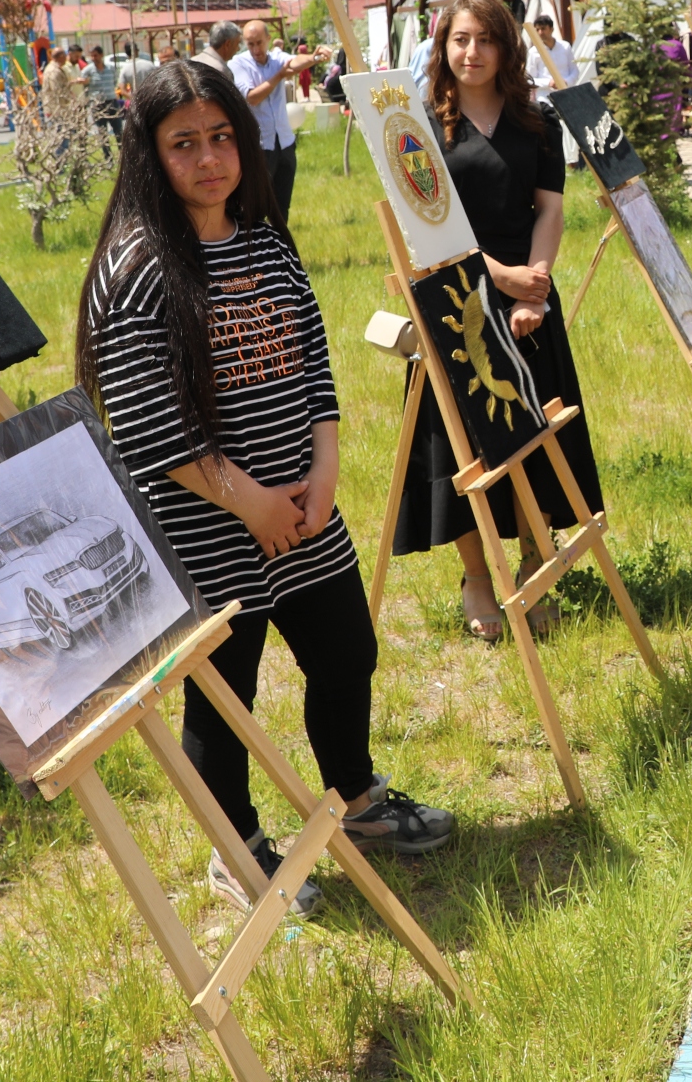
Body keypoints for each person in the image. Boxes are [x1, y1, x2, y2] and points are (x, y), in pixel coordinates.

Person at [77, 60, 453, 910]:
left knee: (346, 654)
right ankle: (237, 851)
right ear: (148, 153)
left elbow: (315, 364)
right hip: (210, 530)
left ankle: (356, 799)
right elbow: (147, 427)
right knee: (226, 700)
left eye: (220, 138)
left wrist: (321, 475)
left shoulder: (266, 237)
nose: (209, 159)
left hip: (305, 512)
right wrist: (249, 503)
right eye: (184, 144)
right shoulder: (135, 269)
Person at [390, 0, 605, 641]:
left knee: (537, 433)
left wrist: (533, 290)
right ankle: (478, 577)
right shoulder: (420, 126)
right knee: (458, 443)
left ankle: (540, 561)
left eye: (484, 39)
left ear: (505, 46)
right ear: (441, 45)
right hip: (453, 298)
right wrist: (497, 277)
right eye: (459, 39)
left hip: (529, 304)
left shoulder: (536, 120)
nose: (470, 52)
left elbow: (551, 209)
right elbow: (421, 227)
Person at [229, 19, 317, 221]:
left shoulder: (277, 58)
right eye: (250, 44)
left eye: (259, 42)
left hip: (285, 141)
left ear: (268, 39)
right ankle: (259, 248)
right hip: (261, 146)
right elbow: (252, 97)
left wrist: (313, 57)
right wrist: (279, 76)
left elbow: (294, 63)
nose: (256, 49)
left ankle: (280, 246)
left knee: (282, 205)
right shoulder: (239, 63)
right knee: (257, 206)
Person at [524, 11, 581, 101]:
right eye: (537, 30)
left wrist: (566, 82)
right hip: (545, 99)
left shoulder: (565, 47)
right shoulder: (533, 52)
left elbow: (574, 71)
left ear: (551, 29)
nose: (540, 32)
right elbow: (530, 79)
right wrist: (548, 83)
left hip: (566, 96)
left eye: (543, 29)